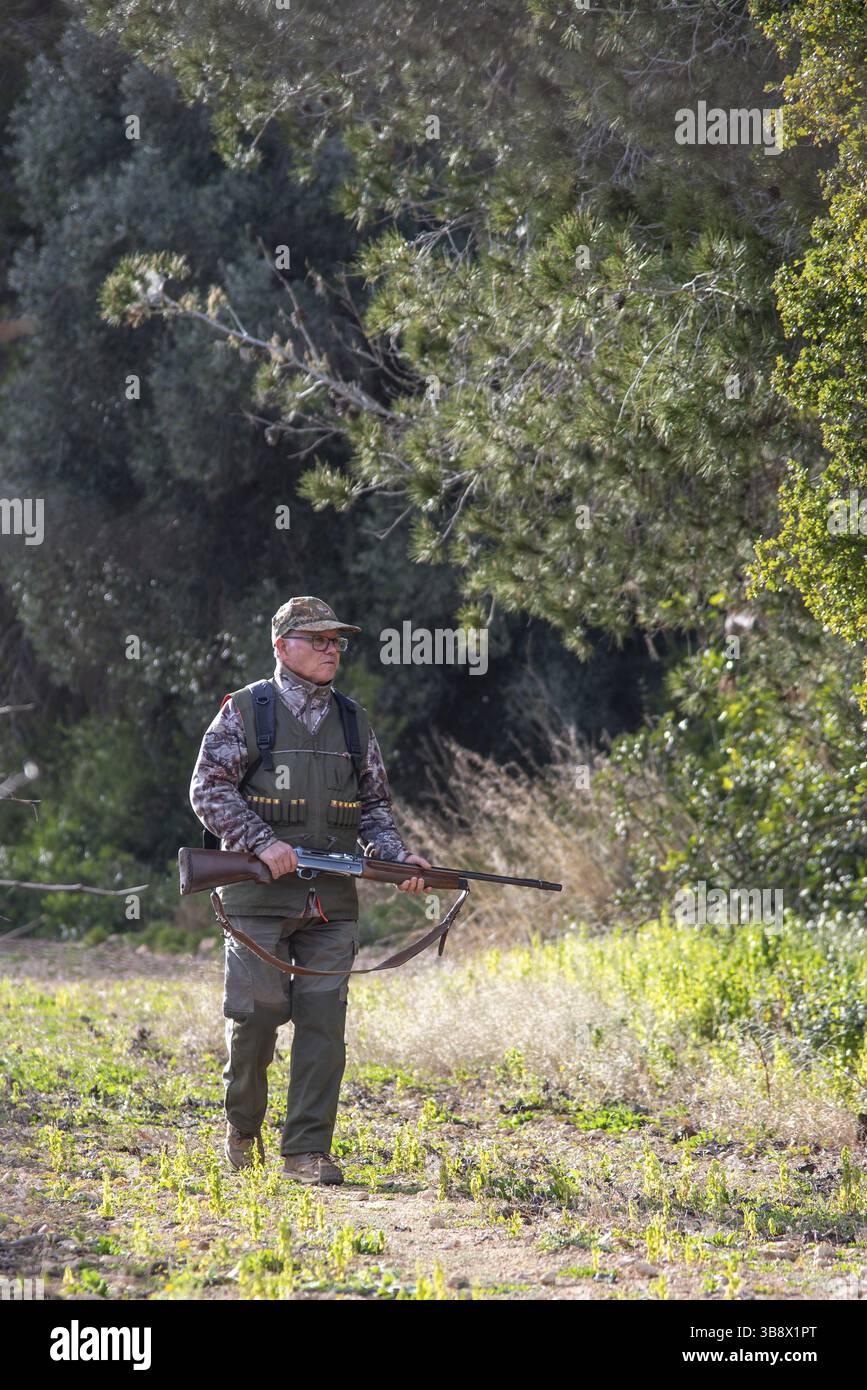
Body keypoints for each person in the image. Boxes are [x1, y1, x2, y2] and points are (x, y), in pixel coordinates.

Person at [189, 596, 431, 1185]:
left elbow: (373, 807)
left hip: (332, 901)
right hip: (258, 898)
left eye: (336, 641)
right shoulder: (246, 712)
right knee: (256, 1018)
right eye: (318, 639)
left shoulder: (354, 720)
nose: (331, 650)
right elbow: (208, 790)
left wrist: (399, 860)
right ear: (282, 646)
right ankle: (243, 1129)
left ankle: (305, 1152)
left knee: (324, 1023)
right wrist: (260, 840)